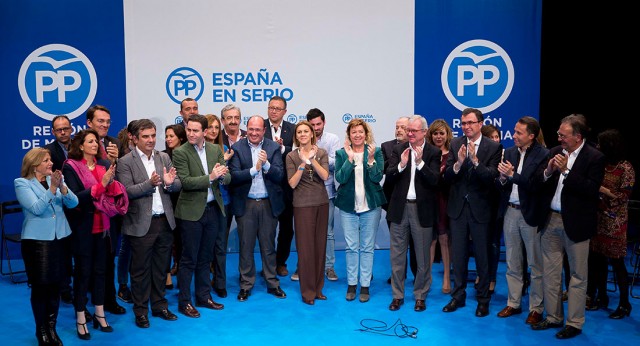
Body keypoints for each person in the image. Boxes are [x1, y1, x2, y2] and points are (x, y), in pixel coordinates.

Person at [531, 114, 605, 339]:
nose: (559, 138)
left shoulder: (595, 157)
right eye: (558, 134)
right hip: (551, 219)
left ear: (578, 136)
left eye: (563, 135)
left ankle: (574, 322)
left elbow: (592, 190)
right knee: (551, 274)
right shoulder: (554, 152)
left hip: (577, 224)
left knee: (578, 276)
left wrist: (566, 172)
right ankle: (553, 317)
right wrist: (548, 172)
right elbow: (538, 180)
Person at [63, 128, 128, 339]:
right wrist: (101, 185)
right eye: (90, 141)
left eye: (96, 141)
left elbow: (109, 193)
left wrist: (112, 186)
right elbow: (75, 198)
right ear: (81, 145)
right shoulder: (71, 167)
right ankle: (81, 317)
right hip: (83, 228)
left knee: (101, 271)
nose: (95, 144)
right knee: (83, 274)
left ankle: (100, 313)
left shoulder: (104, 166)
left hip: (104, 228)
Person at [116, 119, 181, 328]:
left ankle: (160, 306)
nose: (151, 140)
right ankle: (141, 311)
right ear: (134, 138)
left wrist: (170, 184)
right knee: (140, 270)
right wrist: (149, 184)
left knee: (161, 268)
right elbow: (126, 191)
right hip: (140, 224)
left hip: (164, 221)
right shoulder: (126, 161)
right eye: (145, 136)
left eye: (153, 135)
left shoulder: (163, 157)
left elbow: (176, 183)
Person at [15, 147, 79, 345]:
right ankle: (41, 329)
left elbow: (74, 203)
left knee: (57, 286)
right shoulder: (22, 183)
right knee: (41, 287)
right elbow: (36, 208)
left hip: (61, 239)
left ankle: (52, 327)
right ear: (34, 165)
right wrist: (52, 189)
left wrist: (63, 189)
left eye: (50, 160)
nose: (50, 163)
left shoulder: (56, 179)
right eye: (45, 161)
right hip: (37, 243)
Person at [442, 108, 502, 317]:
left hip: (481, 209)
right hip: (458, 208)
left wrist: (475, 161)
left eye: (470, 123)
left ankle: (483, 299)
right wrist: (458, 163)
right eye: (463, 123)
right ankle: (458, 296)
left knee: (482, 256)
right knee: (458, 255)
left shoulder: (493, 147)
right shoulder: (456, 144)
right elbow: (447, 177)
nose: (466, 127)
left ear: (480, 124)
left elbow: (491, 178)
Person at [172, 114, 230, 318]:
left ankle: (203, 297)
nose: (191, 134)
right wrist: (211, 177)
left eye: (195, 130)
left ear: (205, 132)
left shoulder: (215, 149)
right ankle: (184, 302)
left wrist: (222, 175)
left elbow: (228, 177)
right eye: (188, 129)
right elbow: (186, 182)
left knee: (206, 257)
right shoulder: (180, 152)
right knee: (188, 259)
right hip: (190, 213)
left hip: (213, 210)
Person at [494, 116, 548, 325]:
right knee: (512, 261)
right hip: (510, 211)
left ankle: (536, 308)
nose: (514, 135)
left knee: (535, 264)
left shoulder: (543, 155)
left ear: (531, 136)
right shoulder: (508, 152)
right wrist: (501, 178)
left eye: (519, 133)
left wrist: (513, 174)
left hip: (531, 214)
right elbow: (501, 185)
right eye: (514, 131)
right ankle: (513, 303)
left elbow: (535, 185)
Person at [385, 115, 441, 312]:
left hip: (422, 210)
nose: (409, 133)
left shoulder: (433, 153)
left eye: (413, 131)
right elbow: (389, 178)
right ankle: (397, 296)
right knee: (397, 257)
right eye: (408, 130)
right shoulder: (398, 149)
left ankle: (420, 296)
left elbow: (435, 180)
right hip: (399, 210)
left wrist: (419, 163)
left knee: (423, 257)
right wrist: (401, 165)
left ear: (424, 132)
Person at [228, 116, 287, 302]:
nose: (254, 133)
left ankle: (272, 282)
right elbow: (235, 176)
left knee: (268, 246)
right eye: (251, 129)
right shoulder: (237, 148)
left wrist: (267, 164)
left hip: (268, 204)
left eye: (258, 129)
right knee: (246, 246)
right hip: (246, 204)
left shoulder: (273, 147)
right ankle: (246, 285)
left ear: (264, 130)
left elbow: (280, 176)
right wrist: (255, 169)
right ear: (247, 129)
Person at [335, 118, 386, 302]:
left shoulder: (376, 152)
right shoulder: (341, 153)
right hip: (348, 207)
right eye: (354, 132)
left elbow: (377, 178)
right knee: (351, 247)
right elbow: (340, 178)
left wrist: (371, 161)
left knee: (366, 248)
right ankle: (351, 284)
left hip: (370, 207)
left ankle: (365, 285)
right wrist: (349, 159)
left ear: (366, 134)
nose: (357, 135)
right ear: (349, 135)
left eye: (360, 132)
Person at [586, 129, 635, 319]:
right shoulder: (601, 164)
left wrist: (603, 191)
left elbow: (623, 196)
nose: (597, 146)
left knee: (617, 263)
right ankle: (601, 296)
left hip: (615, 223)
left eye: (600, 143)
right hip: (597, 219)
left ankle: (624, 304)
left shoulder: (626, 168)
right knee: (597, 261)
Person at [85, 105, 127, 316]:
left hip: (111, 214)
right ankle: (89, 302)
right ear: (89, 123)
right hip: (89, 214)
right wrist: (106, 161)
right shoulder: (81, 144)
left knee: (109, 258)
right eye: (100, 121)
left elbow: (121, 177)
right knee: (89, 261)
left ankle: (109, 300)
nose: (105, 125)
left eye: (107, 121)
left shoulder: (115, 143)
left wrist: (116, 160)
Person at [286, 120, 330, 305]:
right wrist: (303, 165)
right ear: (296, 136)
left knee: (320, 247)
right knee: (305, 249)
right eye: (299, 132)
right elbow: (292, 183)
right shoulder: (291, 156)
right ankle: (308, 292)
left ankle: (318, 289)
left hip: (321, 203)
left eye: (306, 131)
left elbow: (325, 176)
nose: (303, 134)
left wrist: (312, 159)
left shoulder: (321, 153)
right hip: (302, 205)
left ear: (312, 134)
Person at [264, 96, 297, 279]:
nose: (274, 111)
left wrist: (283, 149)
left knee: (286, 228)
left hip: (287, 188)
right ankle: (268, 264)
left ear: (285, 111)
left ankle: (280, 263)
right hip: (265, 186)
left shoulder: (292, 129)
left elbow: (299, 150)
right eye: (271, 107)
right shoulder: (259, 126)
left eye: (278, 108)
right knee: (267, 230)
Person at [306, 108, 341, 281]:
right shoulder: (302, 137)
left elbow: (335, 164)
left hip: (327, 192)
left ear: (324, 123)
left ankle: (329, 267)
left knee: (328, 233)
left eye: (318, 124)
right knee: (307, 232)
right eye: (312, 125)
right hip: (305, 194)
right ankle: (306, 266)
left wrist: (316, 158)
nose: (315, 128)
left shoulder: (332, 139)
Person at [381, 116, 415, 283]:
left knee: (415, 244)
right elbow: (385, 170)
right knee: (397, 243)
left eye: (402, 127)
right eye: (397, 126)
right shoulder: (387, 147)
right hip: (393, 201)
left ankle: (417, 275)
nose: (399, 130)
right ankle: (399, 274)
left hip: (414, 201)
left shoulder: (419, 147)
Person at [44, 115, 74, 304]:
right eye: (59, 129)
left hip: (79, 203)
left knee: (80, 249)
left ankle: (82, 283)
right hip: (59, 207)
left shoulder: (80, 146)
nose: (63, 132)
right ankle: (64, 288)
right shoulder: (48, 152)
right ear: (53, 132)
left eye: (66, 128)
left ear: (71, 129)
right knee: (63, 252)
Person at [205, 113, 234, 297]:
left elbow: (228, 179)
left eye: (217, 127)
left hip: (223, 202)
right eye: (211, 127)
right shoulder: (195, 149)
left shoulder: (223, 148)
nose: (214, 131)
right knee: (205, 247)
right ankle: (205, 281)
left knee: (221, 245)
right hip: (205, 203)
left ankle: (220, 282)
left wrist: (224, 168)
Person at [426, 119, 454, 294]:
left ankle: (446, 278)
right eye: (435, 133)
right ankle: (426, 278)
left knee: (444, 239)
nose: (438, 136)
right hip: (428, 200)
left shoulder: (452, 154)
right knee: (430, 239)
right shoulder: (427, 153)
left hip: (445, 199)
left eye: (441, 133)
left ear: (447, 135)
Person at [164, 124, 187, 287]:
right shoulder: (163, 156)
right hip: (167, 203)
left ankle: (180, 265)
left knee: (182, 240)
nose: (168, 139)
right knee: (167, 240)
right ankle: (167, 274)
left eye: (171, 136)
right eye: (166, 136)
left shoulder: (187, 154)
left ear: (180, 138)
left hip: (184, 202)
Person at [480, 124, 502, 294]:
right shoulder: (480, 155)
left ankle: (492, 277)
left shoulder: (505, 156)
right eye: (491, 137)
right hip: (481, 204)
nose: (495, 140)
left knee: (494, 243)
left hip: (497, 206)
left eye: (497, 137)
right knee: (481, 243)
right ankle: (482, 274)